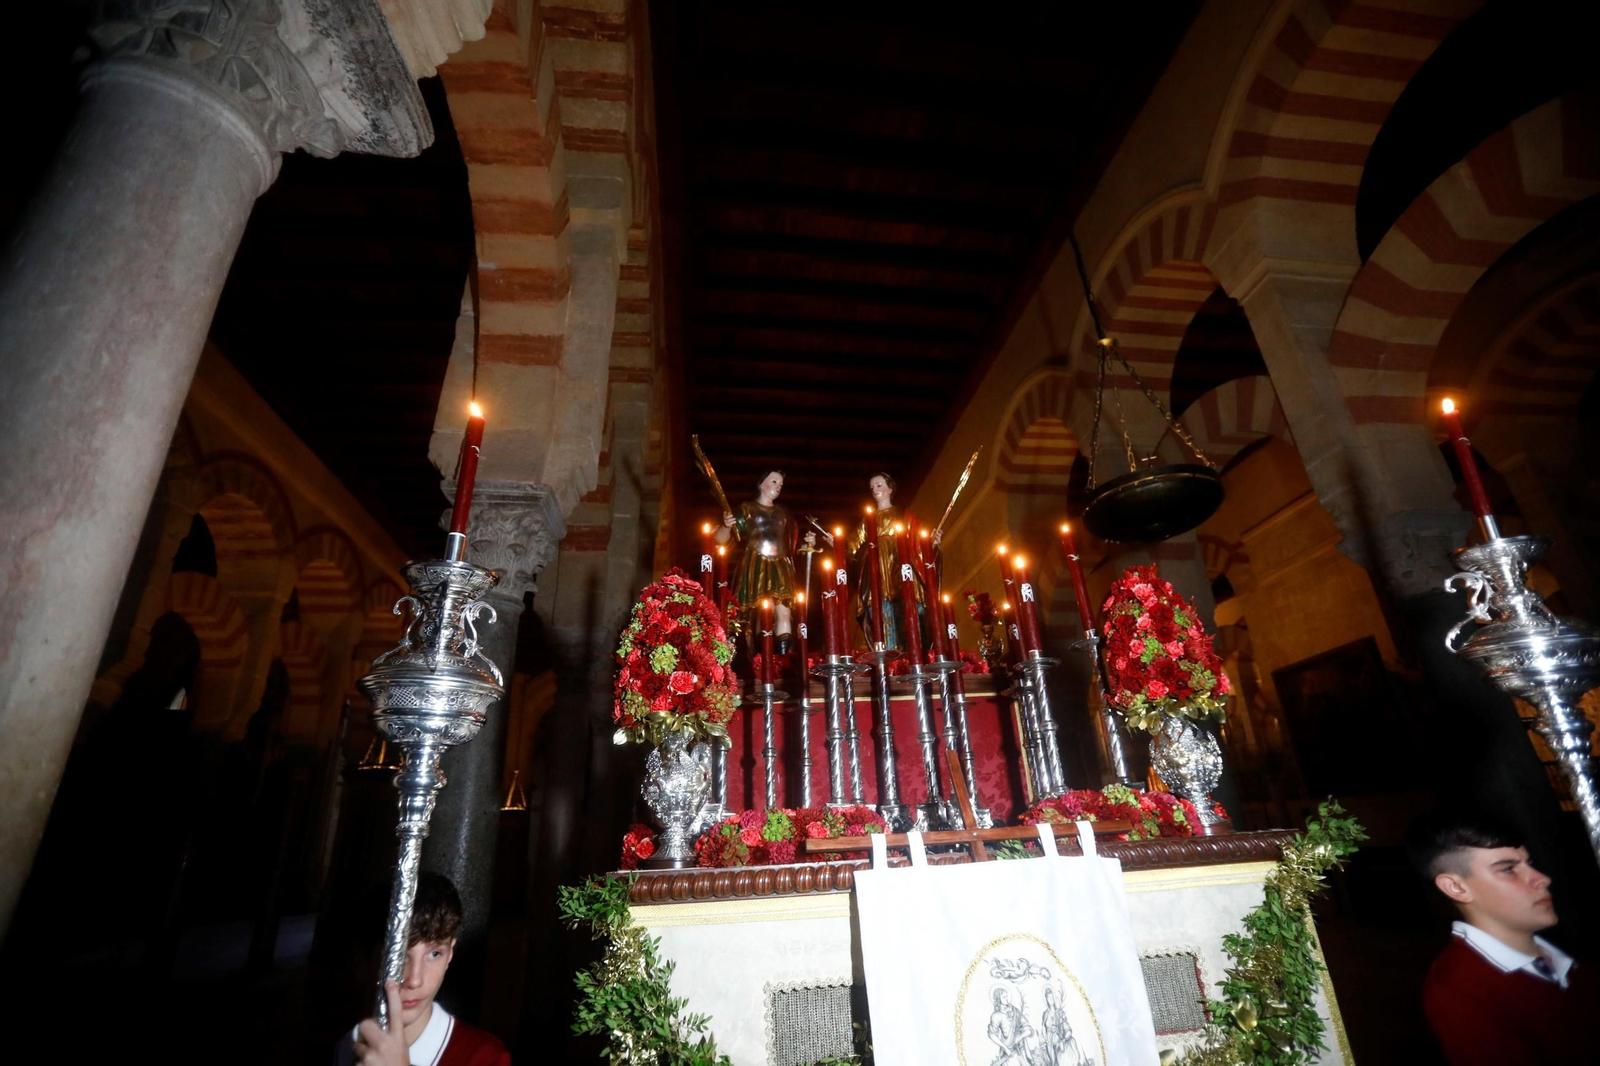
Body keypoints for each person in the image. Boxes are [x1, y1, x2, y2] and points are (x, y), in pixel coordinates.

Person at [1407, 810, 1599, 1065]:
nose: (1542, 879)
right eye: (1509, 869)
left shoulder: (1574, 958)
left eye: (1529, 864)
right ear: (1457, 887)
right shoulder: (1459, 989)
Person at [342, 873, 510, 1066]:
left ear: (450, 955)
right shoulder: (346, 1046)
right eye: (399, 956)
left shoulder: (484, 1058)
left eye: (434, 954)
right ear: (362, 961)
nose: (415, 980)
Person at [715, 468, 813, 650]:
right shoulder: (747, 509)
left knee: (784, 613)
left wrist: (807, 544)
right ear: (761, 484)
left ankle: (782, 660)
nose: (778, 486)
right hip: (756, 565)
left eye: (781, 484)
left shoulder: (783, 513)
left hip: (780, 566)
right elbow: (721, 540)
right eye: (774, 481)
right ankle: (760, 658)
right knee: (760, 614)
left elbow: (792, 543)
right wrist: (726, 526)